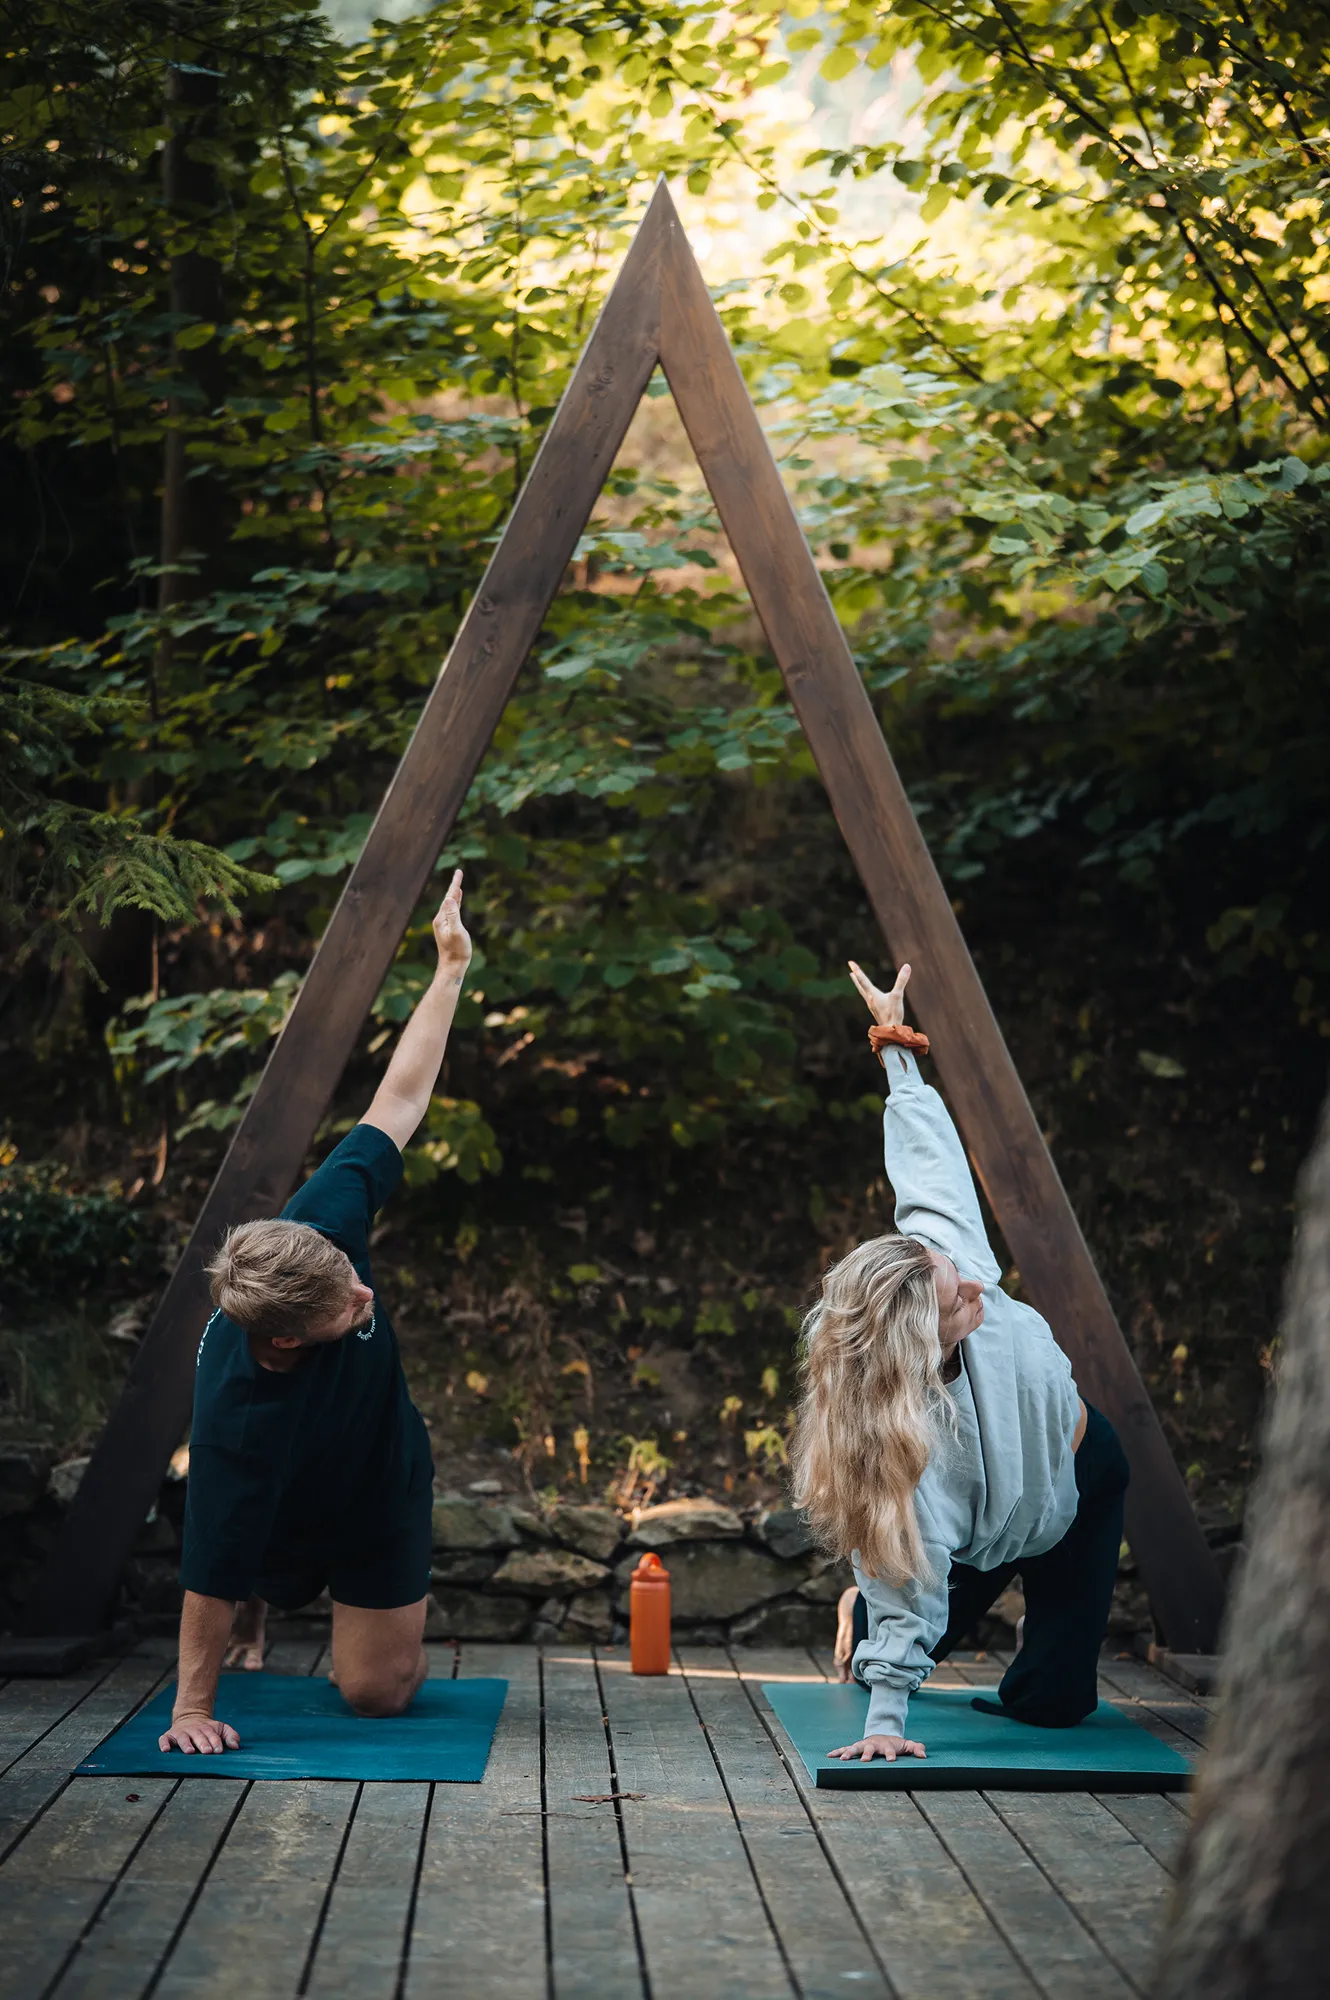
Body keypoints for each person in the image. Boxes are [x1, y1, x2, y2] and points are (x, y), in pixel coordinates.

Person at [158, 869, 473, 1755]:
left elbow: (399, 1102)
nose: (365, 1293)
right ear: (287, 1336)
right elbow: (204, 1578)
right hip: (279, 1495)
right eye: (347, 1306)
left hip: (378, 1476)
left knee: (377, 1696)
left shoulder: (321, 1223)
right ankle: (278, 1591)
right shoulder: (236, 1423)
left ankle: (365, 1625)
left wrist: (448, 968)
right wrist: (190, 1710)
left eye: (350, 1274)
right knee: (238, 1561)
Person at [789, 957, 1129, 1765]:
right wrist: (884, 1728)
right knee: (896, 1637)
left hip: (1076, 1480)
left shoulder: (951, 1257)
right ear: (918, 1344)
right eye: (958, 1300)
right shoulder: (908, 1457)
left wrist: (895, 1050)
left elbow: (929, 1167)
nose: (979, 1284)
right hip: (975, 1524)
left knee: (1055, 1707)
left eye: (956, 1272)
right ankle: (862, 1608)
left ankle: (1006, 1663)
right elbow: (911, 1593)